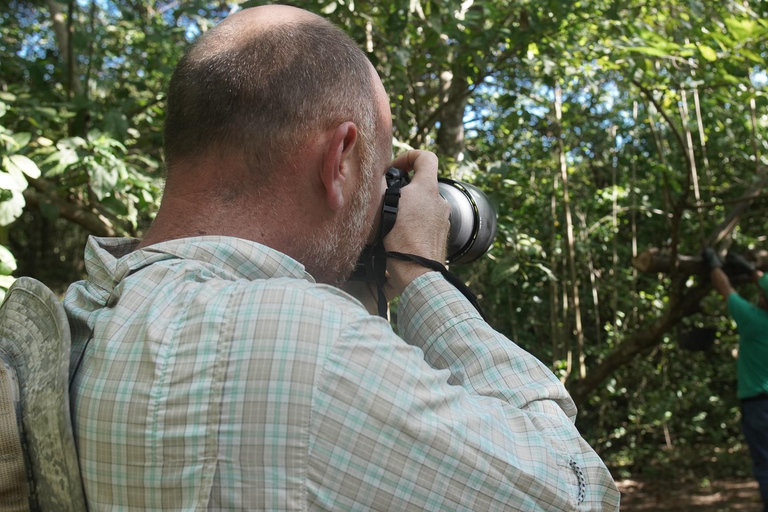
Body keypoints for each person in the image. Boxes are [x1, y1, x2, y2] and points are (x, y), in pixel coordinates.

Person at [64, 5, 619, 510]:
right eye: (380, 176)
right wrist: (421, 272)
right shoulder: (310, 347)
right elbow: (578, 493)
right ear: (340, 160)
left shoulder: (87, 310)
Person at [703, 248, 768, 511]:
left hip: (759, 407)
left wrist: (713, 264)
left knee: (765, 463)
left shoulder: (754, 322)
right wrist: (751, 271)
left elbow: (725, 287)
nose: (759, 295)